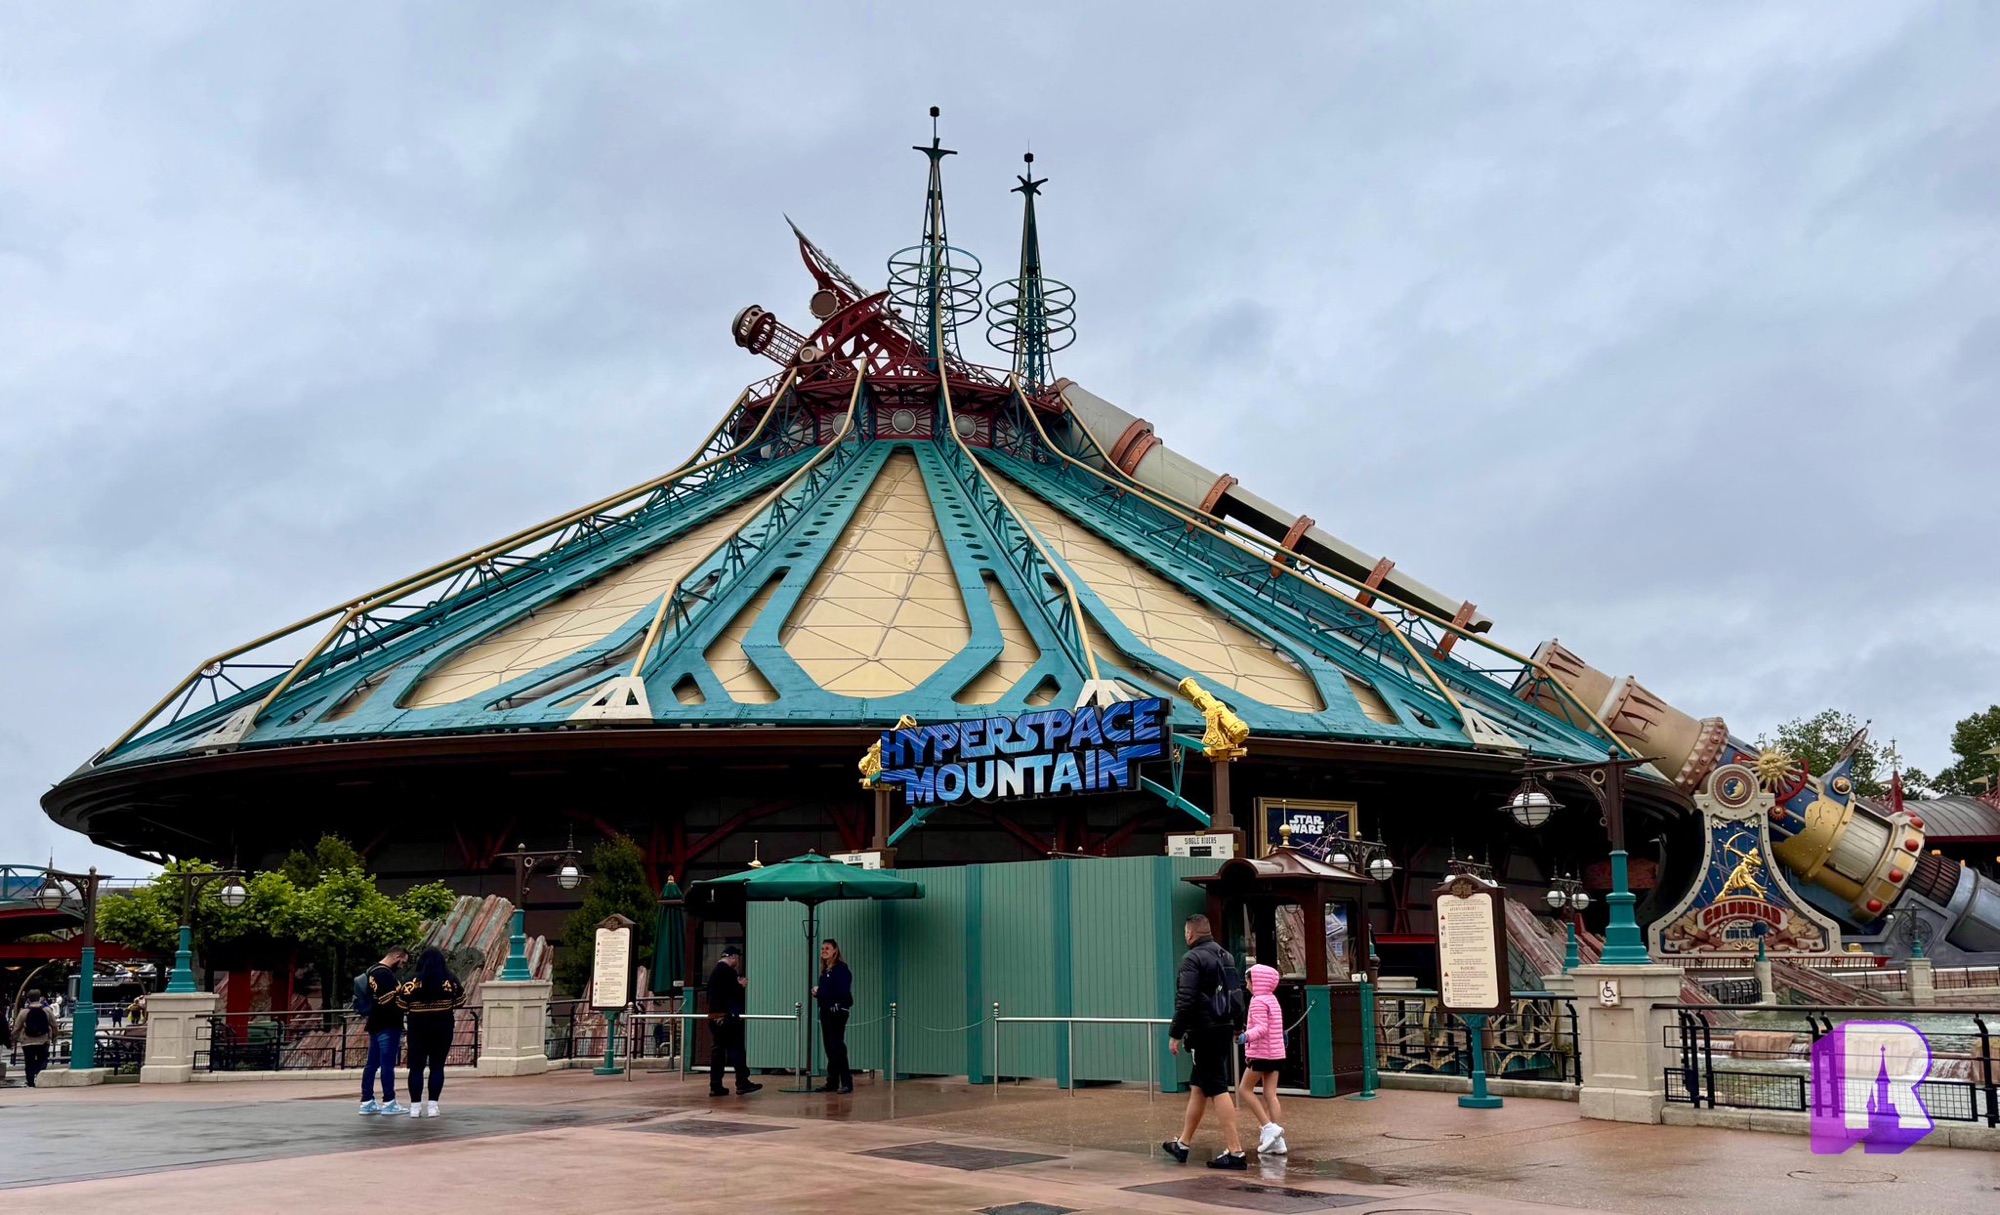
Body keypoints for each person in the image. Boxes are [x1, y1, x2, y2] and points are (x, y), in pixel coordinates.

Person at [1162, 914, 1247, 1169]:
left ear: (1190, 934)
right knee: (1198, 1086)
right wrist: (1238, 1025)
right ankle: (1183, 1144)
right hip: (1223, 1027)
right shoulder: (1226, 956)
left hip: (1204, 1030)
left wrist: (1176, 1033)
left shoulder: (1192, 959)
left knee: (1217, 1087)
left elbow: (1186, 999)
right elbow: (1237, 993)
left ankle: (1236, 1152)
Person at [392, 947, 467, 1118]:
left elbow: (401, 1004)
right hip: (443, 1027)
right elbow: (461, 1000)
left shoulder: (411, 982)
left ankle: (415, 1107)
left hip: (417, 1029)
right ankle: (433, 1106)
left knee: (416, 1068)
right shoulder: (450, 980)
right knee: (437, 1067)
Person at [1236, 962, 1287, 1155]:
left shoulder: (1257, 1001)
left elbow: (1261, 1028)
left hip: (1260, 1053)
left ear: (1256, 981)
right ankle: (1277, 1140)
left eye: (1249, 980)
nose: (1247, 984)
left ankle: (1268, 1127)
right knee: (1270, 1094)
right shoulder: (1272, 999)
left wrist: (1245, 1036)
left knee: (1244, 1089)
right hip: (1276, 1053)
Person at [357, 945, 411, 1116]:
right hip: (388, 1024)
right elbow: (385, 998)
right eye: (402, 962)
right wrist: (400, 990)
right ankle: (389, 1101)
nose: (401, 966)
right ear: (397, 957)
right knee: (387, 1063)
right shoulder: (384, 973)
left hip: (375, 1022)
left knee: (372, 1064)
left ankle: (367, 1100)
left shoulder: (372, 971)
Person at [705, 946, 760, 1096]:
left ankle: (715, 1085)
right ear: (733, 957)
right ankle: (742, 1082)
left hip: (714, 1017)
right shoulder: (728, 972)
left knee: (718, 1052)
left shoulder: (714, 972)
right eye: (737, 958)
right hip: (727, 1017)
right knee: (736, 1049)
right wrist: (740, 985)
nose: (738, 962)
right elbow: (731, 993)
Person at [810, 939, 853, 1094]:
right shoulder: (825, 971)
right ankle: (832, 1081)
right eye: (822, 948)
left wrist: (821, 991)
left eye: (827, 948)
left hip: (837, 1011)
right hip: (826, 1011)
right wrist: (818, 993)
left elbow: (841, 991)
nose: (824, 951)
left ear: (835, 950)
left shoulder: (841, 969)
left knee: (837, 1046)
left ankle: (846, 1081)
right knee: (829, 1047)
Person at [10, 990, 54, 1088]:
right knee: (42, 1059)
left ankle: (30, 1082)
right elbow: (54, 1025)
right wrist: (54, 1037)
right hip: (43, 1040)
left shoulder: (24, 1012)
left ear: (28, 999)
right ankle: (39, 1077)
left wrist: (13, 1038)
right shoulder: (47, 1010)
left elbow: (17, 1027)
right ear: (39, 998)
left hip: (27, 1041)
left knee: (29, 1062)